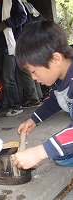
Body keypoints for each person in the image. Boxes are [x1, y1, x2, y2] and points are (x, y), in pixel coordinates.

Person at [11, 21, 73, 169]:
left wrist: (39, 152)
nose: (33, 78)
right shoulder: (61, 79)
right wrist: (34, 119)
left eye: (33, 71)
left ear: (55, 59)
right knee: (59, 154)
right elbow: (55, 100)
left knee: (52, 149)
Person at [0, 0, 27, 117]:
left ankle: (16, 106)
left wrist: (6, 23)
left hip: (10, 44)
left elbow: (23, 16)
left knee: (8, 78)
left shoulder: (10, 1)